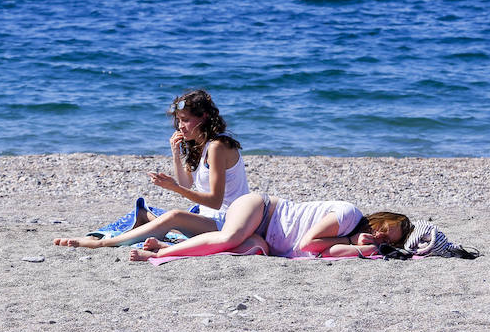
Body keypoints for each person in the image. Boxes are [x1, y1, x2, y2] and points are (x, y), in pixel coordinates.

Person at [53, 89, 250, 248]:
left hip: (229, 222)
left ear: (204, 117)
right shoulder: (199, 146)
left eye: (186, 120)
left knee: (173, 215)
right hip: (208, 218)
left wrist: (175, 189)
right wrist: (175, 154)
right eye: (179, 120)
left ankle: (103, 243)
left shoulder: (217, 146)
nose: (180, 126)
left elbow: (215, 201)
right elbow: (187, 184)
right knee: (143, 212)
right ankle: (103, 236)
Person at [128, 192, 412, 262]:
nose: (379, 235)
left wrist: (365, 247)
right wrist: (352, 240)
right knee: (229, 237)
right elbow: (308, 244)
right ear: (379, 217)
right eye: (384, 228)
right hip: (262, 210)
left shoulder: (357, 240)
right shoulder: (349, 215)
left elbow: (330, 251)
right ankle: (157, 256)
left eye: (387, 238)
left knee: (250, 250)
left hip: (265, 239)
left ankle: (169, 246)